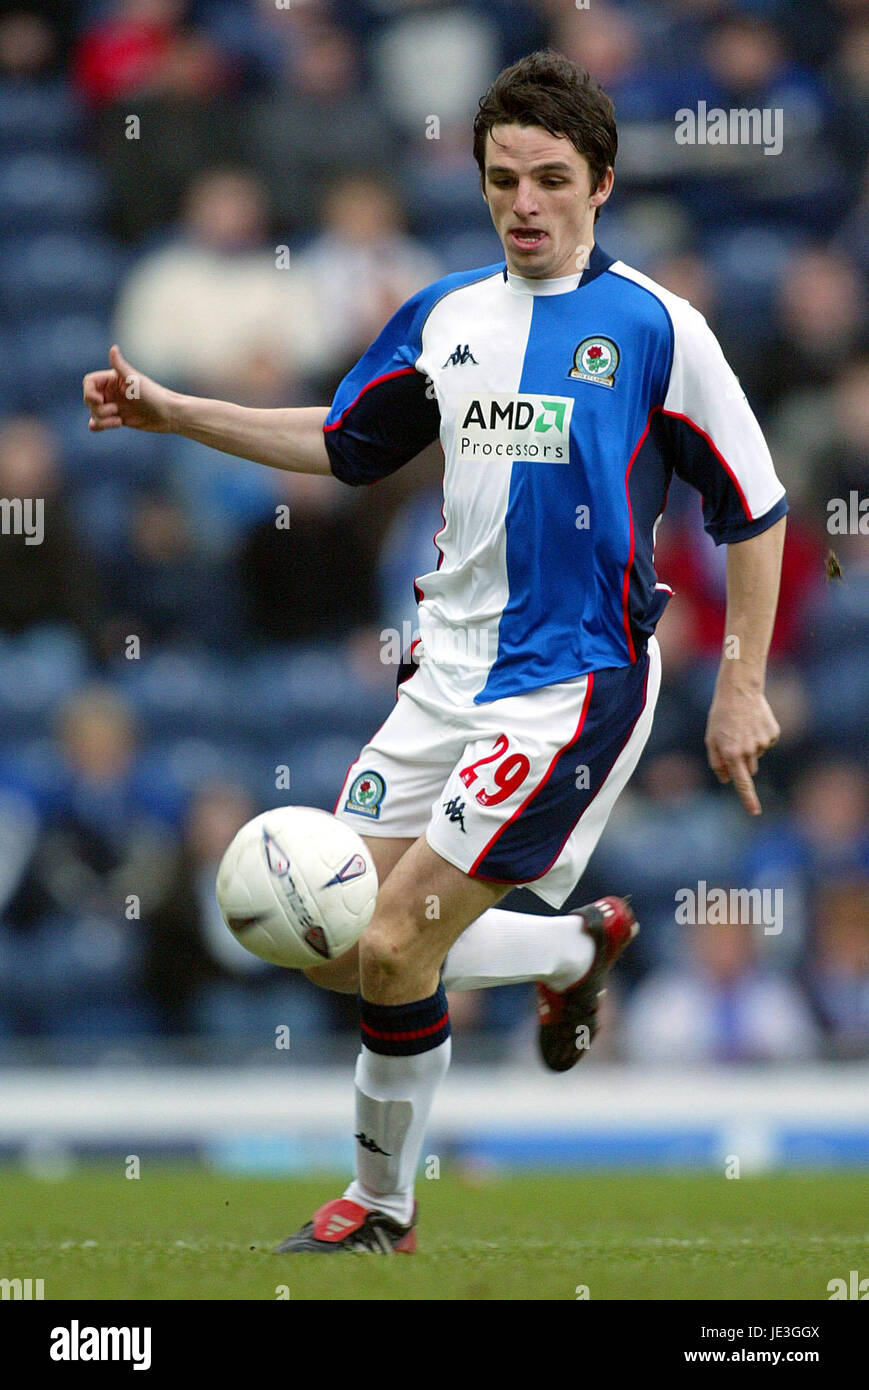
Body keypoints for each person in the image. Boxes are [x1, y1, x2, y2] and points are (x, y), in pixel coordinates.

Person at [83, 50, 787, 1255]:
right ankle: (574, 943)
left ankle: (380, 1210)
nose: (523, 203)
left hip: (571, 682)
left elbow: (755, 510)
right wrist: (178, 411)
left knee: (401, 939)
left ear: (600, 184)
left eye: (550, 180)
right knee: (338, 941)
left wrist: (741, 689)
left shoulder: (661, 330)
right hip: (442, 676)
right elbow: (346, 443)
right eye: (502, 178)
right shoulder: (445, 316)